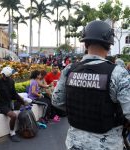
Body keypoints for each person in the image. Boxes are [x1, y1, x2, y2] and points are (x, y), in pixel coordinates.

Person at [52, 20, 130, 150]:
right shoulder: (118, 73)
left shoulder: (69, 69)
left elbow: (56, 101)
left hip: (74, 144)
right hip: (107, 145)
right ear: (109, 45)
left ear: (85, 44)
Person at [0, 66, 26, 142]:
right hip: (1, 105)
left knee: (24, 108)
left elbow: (14, 94)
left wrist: (23, 102)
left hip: (9, 103)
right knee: (13, 116)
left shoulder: (11, 81)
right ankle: (12, 133)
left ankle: (23, 128)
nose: (3, 76)